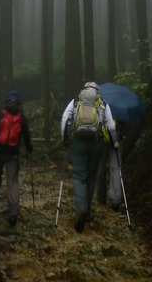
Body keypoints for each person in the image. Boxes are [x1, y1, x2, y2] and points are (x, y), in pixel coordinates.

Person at [61, 81, 119, 232]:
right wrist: (115, 141)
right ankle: (87, 211)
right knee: (91, 175)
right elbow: (111, 125)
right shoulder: (102, 103)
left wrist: (65, 139)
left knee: (79, 175)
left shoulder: (76, 101)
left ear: (84, 90)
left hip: (79, 141)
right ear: (97, 91)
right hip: (96, 142)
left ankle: (81, 208)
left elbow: (64, 119)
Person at [0, 90, 33, 226]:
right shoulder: (21, 118)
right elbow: (26, 136)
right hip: (13, 155)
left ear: (6, 102)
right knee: (12, 183)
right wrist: (29, 149)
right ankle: (13, 213)